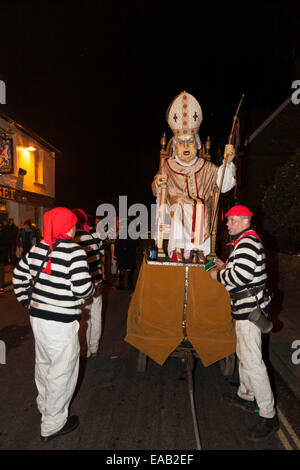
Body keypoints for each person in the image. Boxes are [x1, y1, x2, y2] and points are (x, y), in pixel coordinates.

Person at [13, 207, 94, 441]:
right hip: (61, 320)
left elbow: (18, 276)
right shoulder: (75, 251)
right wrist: (87, 290)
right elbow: (82, 288)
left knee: (44, 363)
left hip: (38, 317)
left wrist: (26, 299)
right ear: (67, 226)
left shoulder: (37, 248)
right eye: (72, 223)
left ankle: (44, 404)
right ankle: (53, 423)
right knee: (62, 371)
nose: (73, 227)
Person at [209, 204, 279, 440]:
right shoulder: (245, 241)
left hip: (249, 312)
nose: (227, 223)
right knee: (244, 354)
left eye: (230, 220)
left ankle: (268, 416)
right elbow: (241, 270)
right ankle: (247, 395)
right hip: (245, 310)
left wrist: (217, 274)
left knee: (253, 361)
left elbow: (240, 277)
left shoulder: (247, 243)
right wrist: (225, 266)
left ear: (242, 221)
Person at [152, 91, 236, 262]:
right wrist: (158, 182)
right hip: (175, 209)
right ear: (175, 146)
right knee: (182, 205)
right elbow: (155, 189)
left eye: (190, 141)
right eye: (181, 142)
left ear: (197, 145)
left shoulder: (206, 167)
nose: (186, 146)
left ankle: (199, 250)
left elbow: (224, 184)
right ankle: (178, 249)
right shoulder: (168, 166)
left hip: (202, 211)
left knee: (199, 206)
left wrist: (228, 163)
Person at [72, 208, 104, 358]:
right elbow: (102, 253)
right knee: (97, 314)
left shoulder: (73, 237)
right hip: (97, 278)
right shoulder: (94, 233)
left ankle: (85, 350)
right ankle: (94, 346)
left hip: (83, 282)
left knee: (86, 317)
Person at [0, 222, 9, 293]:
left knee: (1, 273)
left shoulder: (3, 234)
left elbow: (5, 245)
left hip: (1, 257)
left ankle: (2, 287)